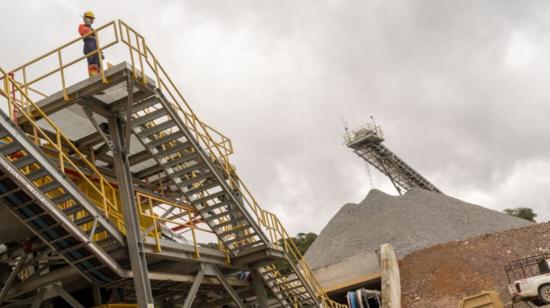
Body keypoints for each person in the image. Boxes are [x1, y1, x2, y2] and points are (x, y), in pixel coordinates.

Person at [78, 11, 103, 76]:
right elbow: (83, 32)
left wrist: (100, 51)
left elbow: (96, 40)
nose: (92, 20)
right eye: (91, 19)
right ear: (86, 18)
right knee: (92, 58)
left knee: (98, 59)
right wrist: (89, 29)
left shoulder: (92, 29)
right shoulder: (82, 26)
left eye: (92, 19)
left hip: (94, 44)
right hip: (88, 43)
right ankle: (93, 73)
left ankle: (100, 73)